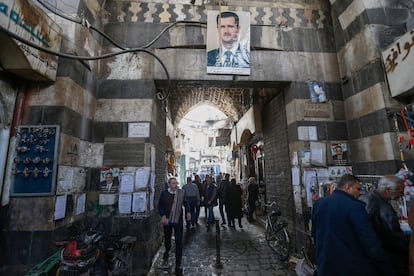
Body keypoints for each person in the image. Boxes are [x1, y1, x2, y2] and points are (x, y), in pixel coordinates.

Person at [311, 174, 393, 275]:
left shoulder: (319, 204)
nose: (360, 193)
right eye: (358, 189)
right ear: (348, 187)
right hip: (351, 267)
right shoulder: (355, 207)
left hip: (325, 264)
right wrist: (385, 265)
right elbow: (368, 240)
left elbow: (314, 233)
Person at [362, 175, 409, 275]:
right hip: (386, 254)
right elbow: (393, 235)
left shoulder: (366, 197)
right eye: (400, 192)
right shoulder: (382, 207)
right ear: (387, 191)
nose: (402, 195)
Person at [158, 177, 191, 275]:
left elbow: (186, 203)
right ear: (169, 184)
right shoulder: (164, 194)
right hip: (167, 221)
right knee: (167, 238)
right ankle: (167, 250)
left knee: (179, 242)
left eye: (176, 183)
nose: (175, 185)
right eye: (173, 183)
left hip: (178, 220)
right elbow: (160, 205)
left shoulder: (180, 193)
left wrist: (188, 212)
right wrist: (163, 215)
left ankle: (178, 265)